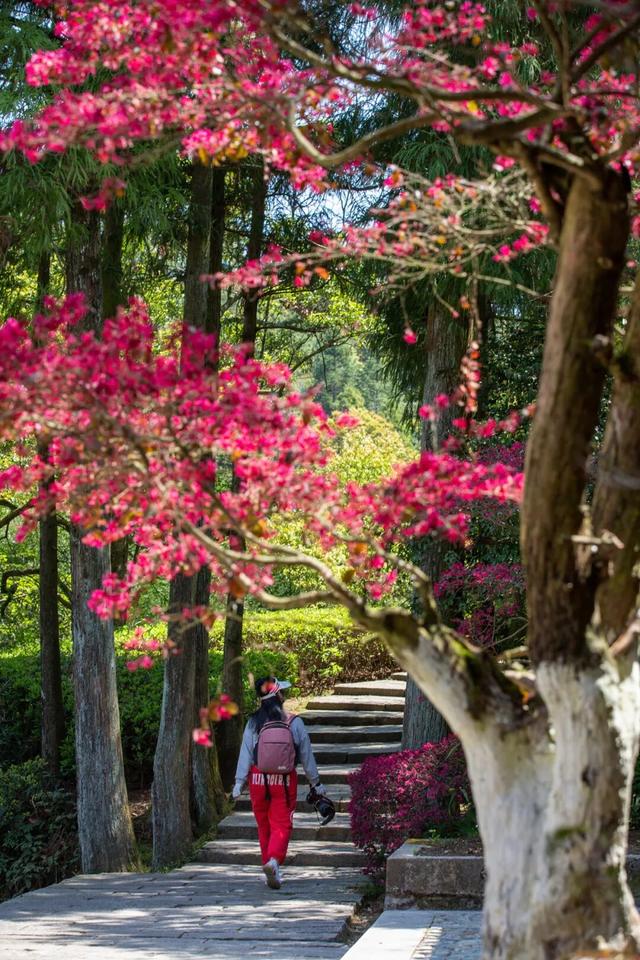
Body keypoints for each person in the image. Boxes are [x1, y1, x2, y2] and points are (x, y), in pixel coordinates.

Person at [232, 676, 327, 890]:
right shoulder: (294, 722)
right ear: (278, 695)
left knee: (263, 825)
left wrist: (239, 783)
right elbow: (306, 756)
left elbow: (245, 754)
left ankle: (269, 865)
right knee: (282, 824)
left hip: (257, 779)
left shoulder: (253, 722)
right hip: (284, 782)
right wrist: (316, 783)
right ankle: (274, 861)